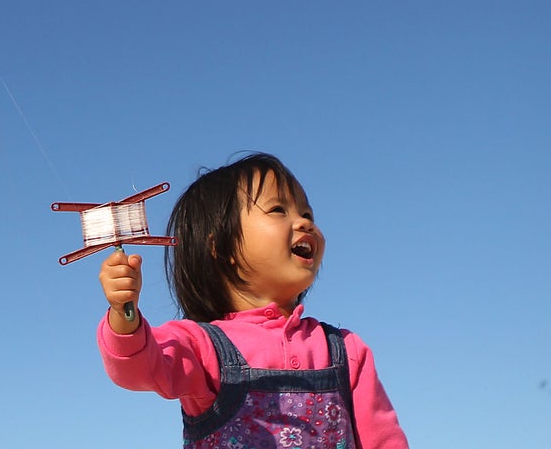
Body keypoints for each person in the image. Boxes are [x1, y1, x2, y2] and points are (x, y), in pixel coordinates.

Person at [97, 153, 408, 448]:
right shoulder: (200, 345)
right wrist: (124, 312)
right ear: (222, 246)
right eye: (278, 210)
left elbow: (384, 440)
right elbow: (138, 367)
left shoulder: (346, 350)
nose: (304, 223)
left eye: (307, 213)